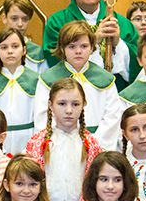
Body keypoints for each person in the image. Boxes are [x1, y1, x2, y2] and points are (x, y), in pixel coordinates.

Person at [34, 20, 122, 151]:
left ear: (92, 48)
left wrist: (94, 146)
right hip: (59, 148)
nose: (78, 51)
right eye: (72, 47)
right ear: (62, 48)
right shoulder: (48, 80)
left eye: (84, 46)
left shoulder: (105, 79)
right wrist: (61, 145)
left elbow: (112, 116)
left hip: (97, 148)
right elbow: (42, 117)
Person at [0, 28, 40, 156]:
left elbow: (41, 118)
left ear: (24, 50)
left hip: (29, 141)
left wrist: (32, 148)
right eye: (4, 47)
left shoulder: (37, 81)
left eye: (15, 46)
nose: (10, 51)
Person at [0, 0, 48, 75]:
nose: (20, 24)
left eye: (25, 19)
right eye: (14, 18)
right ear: (4, 18)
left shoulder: (38, 55)